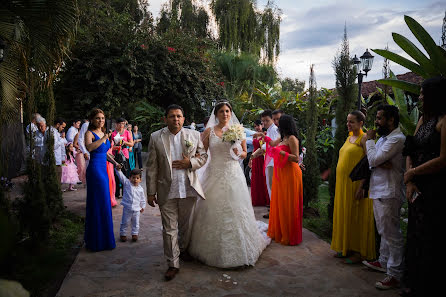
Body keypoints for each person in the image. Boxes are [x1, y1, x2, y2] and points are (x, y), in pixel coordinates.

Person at [188, 101, 270, 268]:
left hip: (233, 173)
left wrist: (238, 152)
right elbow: (202, 153)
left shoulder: (237, 130)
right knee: (211, 208)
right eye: (221, 111)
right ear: (216, 114)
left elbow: (244, 153)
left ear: (230, 113)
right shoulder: (209, 131)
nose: (225, 114)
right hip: (214, 173)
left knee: (235, 208)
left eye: (227, 111)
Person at [146, 104, 208, 281]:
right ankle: (173, 263)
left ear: (184, 118)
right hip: (166, 189)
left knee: (186, 225)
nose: (176, 119)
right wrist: (151, 192)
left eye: (179, 116)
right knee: (169, 228)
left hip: (188, 187)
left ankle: (183, 249)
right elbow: (152, 166)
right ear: (165, 119)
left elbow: (203, 157)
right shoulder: (156, 137)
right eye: (172, 116)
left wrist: (190, 163)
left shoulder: (194, 135)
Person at [402, 76, 446, 297]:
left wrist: (414, 173)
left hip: (435, 187)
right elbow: (410, 148)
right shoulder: (423, 120)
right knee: (415, 234)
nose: (419, 97)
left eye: (422, 93)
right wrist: (409, 179)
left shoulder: (443, 121)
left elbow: (444, 158)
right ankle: (413, 283)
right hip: (416, 186)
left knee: (431, 236)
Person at [362, 105, 406, 290]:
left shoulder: (397, 139)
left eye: (380, 118)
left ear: (391, 120)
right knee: (383, 230)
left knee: (392, 233)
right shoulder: (384, 139)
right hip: (379, 189)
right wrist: (377, 160)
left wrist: (369, 141)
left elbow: (372, 159)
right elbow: (372, 160)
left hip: (389, 191)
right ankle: (383, 261)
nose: (376, 122)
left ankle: (395, 274)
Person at [331, 110, 376, 263]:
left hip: (356, 184)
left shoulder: (364, 139)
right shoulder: (350, 137)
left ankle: (358, 252)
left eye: (352, 122)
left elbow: (370, 163)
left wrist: (363, 186)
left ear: (361, 123)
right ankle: (346, 247)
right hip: (343, 184)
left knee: (357, 216)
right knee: (346, 214)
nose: (348, 124)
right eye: (347, 121)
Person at [253, 115, 303, 245]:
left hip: (290, 173)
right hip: (280, 172)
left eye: (280, 123)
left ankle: (289, 233)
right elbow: (273, 143)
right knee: (280, 201)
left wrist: (281, 153)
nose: (277, 125)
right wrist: (264, 137)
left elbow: (296, 158)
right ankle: (280, 230)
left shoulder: (292, 138)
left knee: (288, 202)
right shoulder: (283, 137)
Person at [84, 108, 115, 252]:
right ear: (92, 119)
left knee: (104, 202)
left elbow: (104, 152)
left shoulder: (104, 133)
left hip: (104, 168)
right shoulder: (89, 133)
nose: (101, 121)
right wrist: (103, 139)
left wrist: (115, 163)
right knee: (97, 202)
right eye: (98, 118)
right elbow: (90, 148)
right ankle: (95, 240)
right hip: (95, 170)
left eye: (102, 118)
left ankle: (105, 239)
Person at [116, 168, 146, 242]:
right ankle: (123, 234)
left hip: (137, 210)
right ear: (130, 178)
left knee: (136, 223)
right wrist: (118, 170)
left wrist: (142, 206)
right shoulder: (127, 184)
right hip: (127, 208)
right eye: (133, 178)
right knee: (125, 222)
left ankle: (134, 234)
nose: (135, 180)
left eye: (137, 178)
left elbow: (143, 199)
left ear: (140, 180)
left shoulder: (141, 189)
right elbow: (121, 177)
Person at [260, 110, 280, 218]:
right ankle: (273, 210)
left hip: (272, 162)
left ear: (272, 119)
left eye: (267, 120)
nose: (265, 123)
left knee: (272, 186)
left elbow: (274, 144)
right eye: (263, 121)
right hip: (269, 161)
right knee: (269, 186)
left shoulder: (274, 129)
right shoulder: (269, 130)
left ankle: (274, 211)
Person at [248, 120, 269, 206]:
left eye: (258, 125)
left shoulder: (264, 134)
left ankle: (265, 200)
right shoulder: (254, 136)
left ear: (262, 125)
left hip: (262, 157)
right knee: (255, 178)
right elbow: (254, 148)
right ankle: (257, 200)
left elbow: (263, 148)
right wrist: (251, 159)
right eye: (255, 126)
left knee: (263, 178)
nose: (257, 127)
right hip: (255, 158)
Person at [112, 118, 133, 198]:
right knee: (115, 175)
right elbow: (110, 147)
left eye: (123, 124)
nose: (121, 125)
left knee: (125, 175)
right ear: (116, 124)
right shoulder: (113, 134)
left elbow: (131, 144)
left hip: (125, 156)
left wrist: (125, 142)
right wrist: (116, 146)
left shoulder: (127, 132)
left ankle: (125, 193)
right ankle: (116, 193)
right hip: (115, 156)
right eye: (119, 123)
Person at [51, 118, 67, 184]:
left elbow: (63, 145)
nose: (62, 129)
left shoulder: (57, 132)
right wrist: (62, 139)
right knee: (55, 180)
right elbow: (54, 146)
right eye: (62, 127)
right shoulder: (52, 132)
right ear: (58, 125)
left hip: (58, 160)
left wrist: (63, 157)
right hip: (54, 159)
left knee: (58, 178)